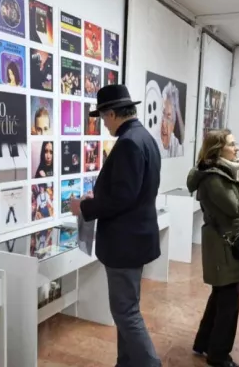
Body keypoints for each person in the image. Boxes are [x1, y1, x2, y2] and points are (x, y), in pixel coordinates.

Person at [70, 84, 162, 367]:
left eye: (102, 118)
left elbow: (122, 198)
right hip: (137, 239)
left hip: (125, 243)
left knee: (125, 313)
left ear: (111, 114)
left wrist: (83, 207)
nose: (103, 125)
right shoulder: (144, 137)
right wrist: (101, 197)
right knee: (127, 309)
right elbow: (130, 191)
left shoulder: (128, 143)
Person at [186, 130, 239, 367]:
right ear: (217, 149)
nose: (237, 149)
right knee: (228, 303)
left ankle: (204, 343)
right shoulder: (213, 177)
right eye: (232, 145)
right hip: (223, 245)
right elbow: (237, 208)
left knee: (221, 296)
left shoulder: (218, 172)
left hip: (226, 242)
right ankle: (218, 355)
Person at [158, 82, 185, 158]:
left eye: (168, 117)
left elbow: (183, 142)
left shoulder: (174, 141)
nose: (164, 124)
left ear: (173, 123)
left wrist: (177, 108)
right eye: (162, 116)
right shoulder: (154, 139)